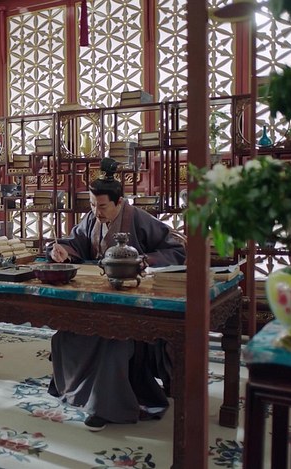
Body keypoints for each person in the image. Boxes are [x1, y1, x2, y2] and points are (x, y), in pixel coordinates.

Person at [45, 157, 186, 431]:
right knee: (67, 333)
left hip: (133, 302)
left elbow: (176, 250)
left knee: (112, 341)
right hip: (97, 296)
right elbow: (75, 243)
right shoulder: (91, 218)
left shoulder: (139, 219)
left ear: (119, 202)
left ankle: (104, 406)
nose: (96, 212)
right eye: (92, 205)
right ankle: (76, 391)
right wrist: (61, 251)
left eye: (102, 206)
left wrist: (144, 261)